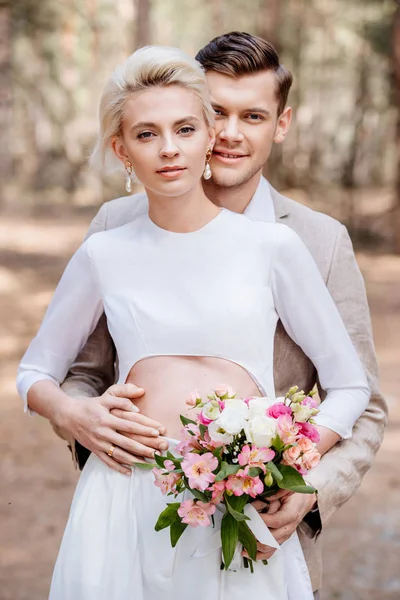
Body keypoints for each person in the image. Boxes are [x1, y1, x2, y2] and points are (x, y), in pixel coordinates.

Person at [17, 45, 371, 600]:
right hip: (124, 496)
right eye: (146, 134)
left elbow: (356, 390)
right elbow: (49, 369)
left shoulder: (290, 243)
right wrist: (72, 412)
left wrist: (289, 463)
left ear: (205, 135)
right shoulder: (107, 245)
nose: (168, 148)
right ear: (122, 149)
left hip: (242, 499)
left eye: (184, 128)